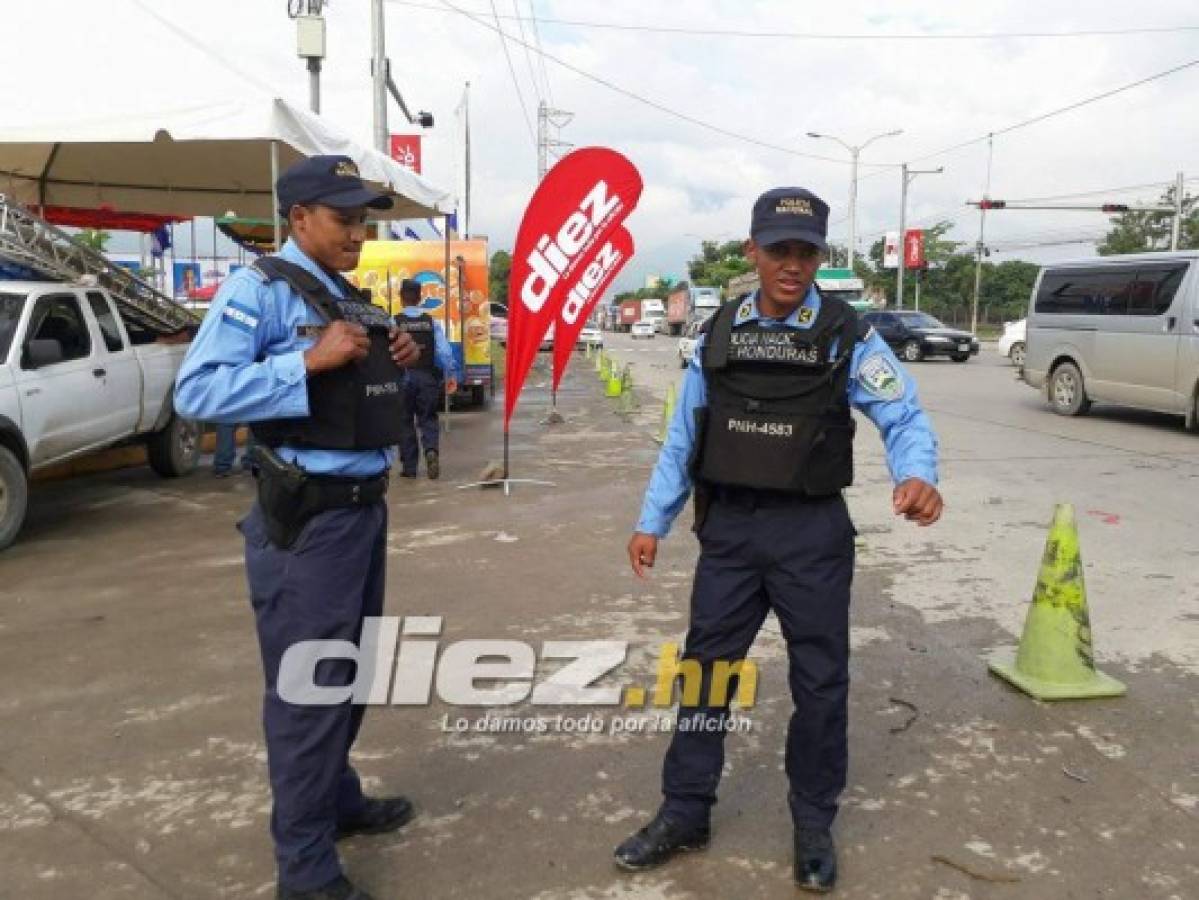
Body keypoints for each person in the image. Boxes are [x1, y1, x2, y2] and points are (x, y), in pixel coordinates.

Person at [616, 187, 943, 893]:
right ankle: (684, 810)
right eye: (777, 250)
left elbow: (902, 414)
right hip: (730, 531)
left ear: (819, 257)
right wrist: (652, 519)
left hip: (810, 534)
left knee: (820, 684)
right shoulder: (717, 331)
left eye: (805, 252)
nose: (791, 265)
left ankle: (812, 824)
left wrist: (917, 474)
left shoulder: (846, 332)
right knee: (705, 675)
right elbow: (683, 435)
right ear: (751, 252)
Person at [175, 155, 423, 900]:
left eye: (363, 221)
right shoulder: (259, 290)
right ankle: (306, 870)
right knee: (307, 691)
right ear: (299, 218)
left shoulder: (347, 293)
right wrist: (306, 362)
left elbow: (363, 384)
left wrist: (398, 354)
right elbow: (198, 390)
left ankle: (335, 797)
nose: (358, 233)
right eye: (344, 219)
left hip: (359, 515)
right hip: (307, 522)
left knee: (346, 677)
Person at [393, 279, 459, 479]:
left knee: (404, 422)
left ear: (401, 298)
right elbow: (445, 352)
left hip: (402, 379)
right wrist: (451, 374)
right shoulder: (432, 322)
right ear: (420, 298)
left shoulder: (393, 322)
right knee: (428, 419)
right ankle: (431, 451)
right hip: (427, 378)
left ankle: (410, 468)